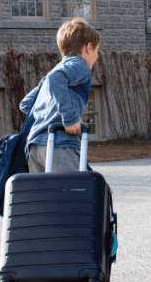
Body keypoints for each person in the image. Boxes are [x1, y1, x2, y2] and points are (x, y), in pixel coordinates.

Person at [20, 17, 100, 173]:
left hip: (35, 147)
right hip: (59, 143)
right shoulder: (79, 64)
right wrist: (69, 117)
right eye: (97, 49)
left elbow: (26, 104)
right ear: (89, 47)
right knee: (76, 188)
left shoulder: (56, 71)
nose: (96, 55)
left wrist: (48, 113)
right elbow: (55, 78)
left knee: (48, 191)